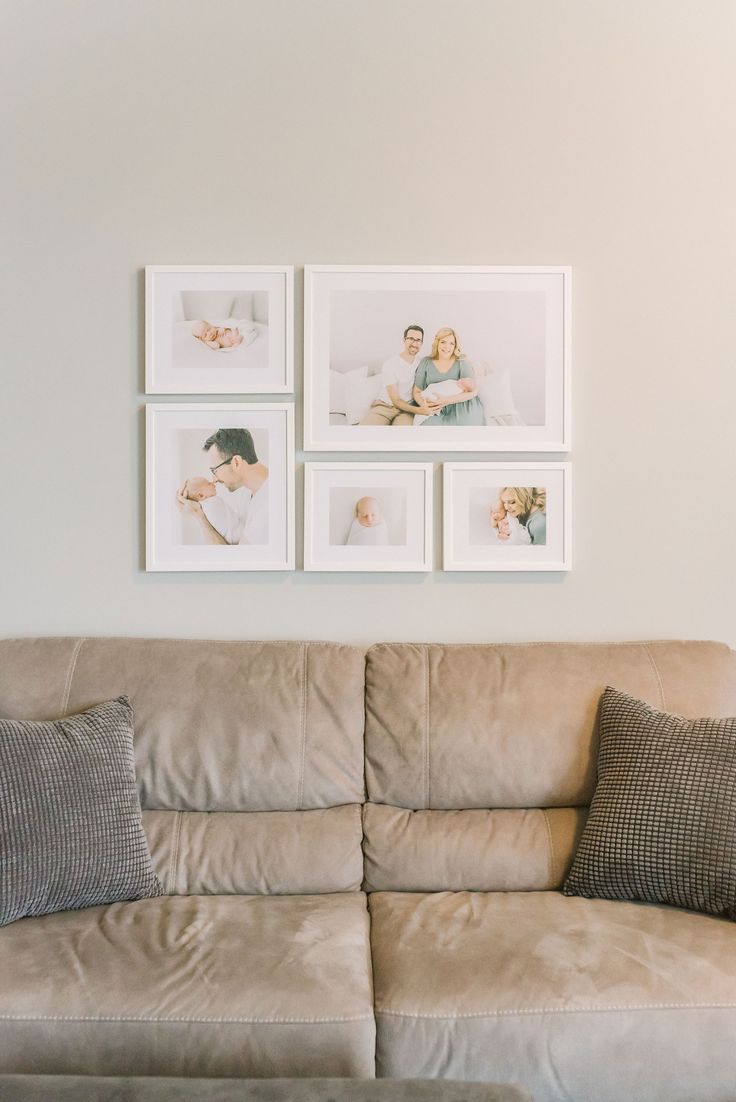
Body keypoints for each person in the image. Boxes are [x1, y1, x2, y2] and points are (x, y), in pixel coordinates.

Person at [177, 428, 269, 545]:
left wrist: (198, 515)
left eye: (214, 470)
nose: (215, 479)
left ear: (236, 462)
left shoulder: (267, 508)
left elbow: (234, 561)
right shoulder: (246, 492)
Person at [359, 326, 439, 425]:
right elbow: (395, 400)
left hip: (407, 410)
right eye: (411, 339)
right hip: (385, 406)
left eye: (418, 340)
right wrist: (419, 410)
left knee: (403, 437)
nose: (414, 343)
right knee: (363, 433)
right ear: (404, 340)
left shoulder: (422, 363)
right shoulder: (390, 364)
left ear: (422, 343)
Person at [412, 328, 485, 426]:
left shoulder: (461, 362)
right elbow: (417, 391)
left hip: (461, 405)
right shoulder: (426, 362)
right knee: (428, 429)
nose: (447, 347)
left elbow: (473, 391)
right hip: (435, 407)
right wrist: (424, 405)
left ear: (455, 346)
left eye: (451, 343)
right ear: (437, 343)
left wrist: (446, 401)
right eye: (443, 342)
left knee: (464, 429)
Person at [181, 476, 250, 546]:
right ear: (201, 495)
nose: (213, 484)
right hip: (236, 535)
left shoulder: (201, 509)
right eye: (208, 484)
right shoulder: (211, 502)